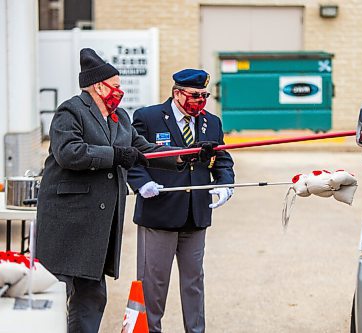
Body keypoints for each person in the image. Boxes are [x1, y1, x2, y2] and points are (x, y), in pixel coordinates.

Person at [35, 49, 216, 333]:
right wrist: (116, 155)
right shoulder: (71, 111)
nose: (120, 92)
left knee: (93, 295)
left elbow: (145, 149)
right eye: (116, 86)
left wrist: (189, 154)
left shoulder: (119, 116)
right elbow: (69, 153)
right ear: (98, 86)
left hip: (98, 225)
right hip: (68, 223)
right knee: (57, 293)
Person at [127, 69, 235, 333]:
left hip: (195, 215)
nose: (201, 101)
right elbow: (133, 156)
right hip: (159, 213)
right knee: (153, 285)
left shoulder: (212, 122)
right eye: (195, 95)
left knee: (194, 283)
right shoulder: (148, 118)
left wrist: (224, 184)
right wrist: (142, 184)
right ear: (177, 93)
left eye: (204, 95)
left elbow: (222, 160)